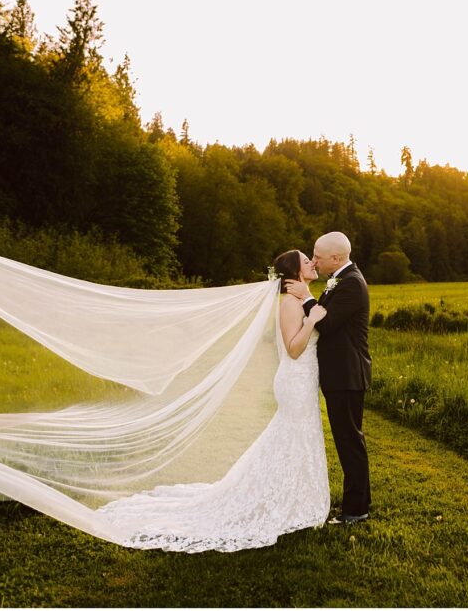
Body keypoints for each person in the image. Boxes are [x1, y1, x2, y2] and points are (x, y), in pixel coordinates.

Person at [96, 249, 331, 552]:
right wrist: (312, 320)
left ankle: (295, 496)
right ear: (294, 273)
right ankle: (273, 497)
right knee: (293, 437)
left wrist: (311, 308)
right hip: (294, 382)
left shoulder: (300, 300)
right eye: (306, 261)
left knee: (297, 438)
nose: (312, 262)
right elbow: (294, 349)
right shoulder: (289, 305)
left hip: (303, 381)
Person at [285, 231, 372, 524]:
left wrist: (306, 297)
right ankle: (356, 504)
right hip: (339, 374)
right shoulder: (340, 279)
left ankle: (356, 510)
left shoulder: (352, 284)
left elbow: (329, 322)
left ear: (336, 258)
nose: (315, 261)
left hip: (347, 375)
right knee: (347, 440)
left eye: (318, 257)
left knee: (350, 442)